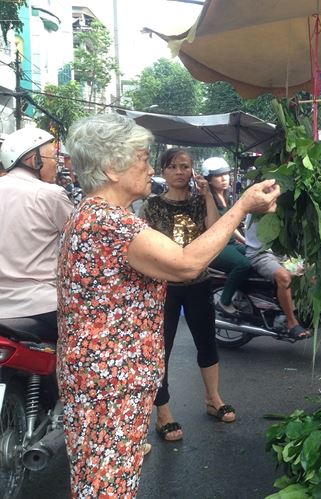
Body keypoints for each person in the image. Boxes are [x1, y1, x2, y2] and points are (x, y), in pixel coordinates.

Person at [57, 113, 280, 498]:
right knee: (105, 486)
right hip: (110, 383)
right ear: (112, 167)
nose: (150, 167)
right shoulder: (111, 223)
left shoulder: (96, 215)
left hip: (102, 378)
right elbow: (186, 264)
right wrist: (242, 206)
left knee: (102, 476)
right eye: (143, 158)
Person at [139, 148, 238, 443]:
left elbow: (214, 229)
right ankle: (164, 413)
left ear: (192, 171)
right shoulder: (152, 206)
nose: (180, 172)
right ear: (164, 172)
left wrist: (207, 195)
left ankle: (213, 398)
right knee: (162, 350)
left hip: (198, 283)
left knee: (206, 341)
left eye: (185, 166)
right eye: (173, 167)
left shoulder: (198, 202)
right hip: (164, 288)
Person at [0, 127, 73, 340]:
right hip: (40, 306)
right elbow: (80, 239)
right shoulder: (50, 194)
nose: (56, 164)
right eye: (53, 158)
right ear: (34, 160)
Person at [244, 216, 311, 340]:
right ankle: (292, 322)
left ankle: (299, 311)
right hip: (261, 254)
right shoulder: (261, 202)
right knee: (284, 277)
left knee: (311, 270)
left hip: (282, 254)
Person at [203, 157, 252, 315]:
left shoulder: (226, 197)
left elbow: (230, 226)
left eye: (226, 174)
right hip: (217, 248)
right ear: (209, 180)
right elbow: (211, 227)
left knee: (255, 255)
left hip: (230, 244)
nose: (224, 178)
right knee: (243, 264)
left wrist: (245, 241)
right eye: (218, 176)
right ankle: (224, 302)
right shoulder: (208, 201)